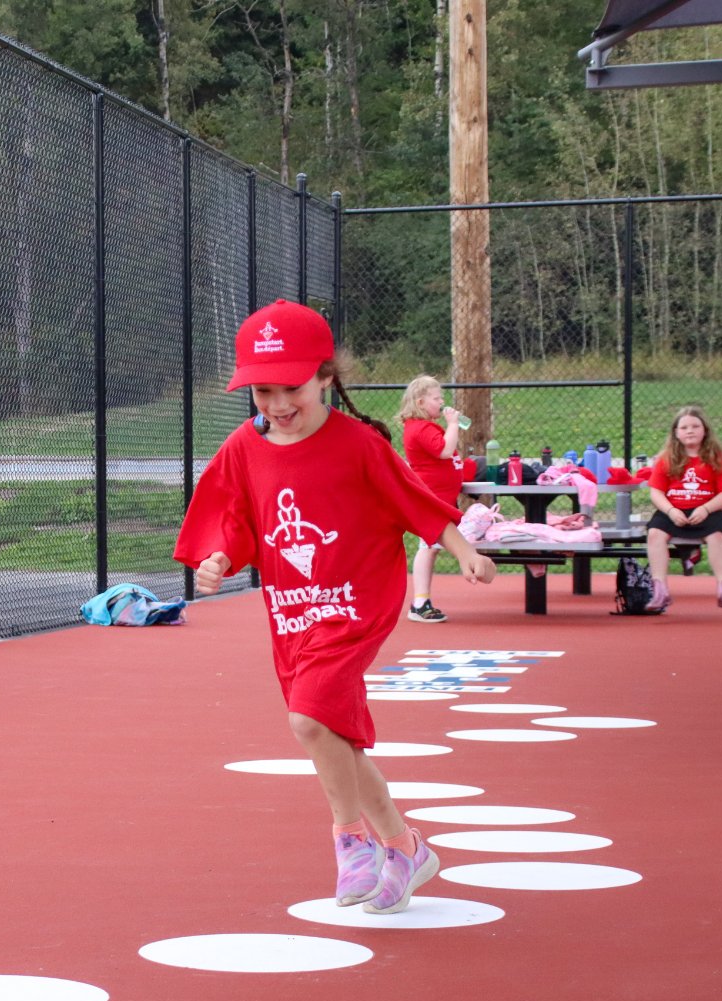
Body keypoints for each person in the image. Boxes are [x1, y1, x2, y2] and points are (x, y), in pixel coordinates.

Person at [174, 299, 496, 914]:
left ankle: (350, 842)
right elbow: (234, 518)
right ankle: (404, 848)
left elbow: (414, 500)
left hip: (357, 601)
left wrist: (463, 549)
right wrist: (216, 557)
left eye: (290, 387)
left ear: (326, 378)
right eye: (262, 390)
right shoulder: (246, 447)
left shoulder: (359, 444)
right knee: (334, 737)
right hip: (293, 609)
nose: (276, 404)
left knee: (308, 719)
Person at [644, 405, 722, 612]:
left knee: (717, 537)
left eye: (695, 426)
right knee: (654, 534)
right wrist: (670, 511)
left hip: (706, 510)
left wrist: (706, 509)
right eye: (684, 427)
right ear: (676, 433)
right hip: (673, 509)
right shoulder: (666, 459)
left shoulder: (718, 459)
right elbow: (656, 492)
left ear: (704, 430)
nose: (690, 431)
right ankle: (660, 590)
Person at [397, 375, 465, 622]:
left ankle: (421, 601)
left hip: (442, 496)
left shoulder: (423, 426)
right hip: (434, 497)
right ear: (421, 401)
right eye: (437, 398)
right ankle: (419, 602)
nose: (442, 402)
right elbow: (445, 450)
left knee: (432, 547)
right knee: (428, 547)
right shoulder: (421, 427)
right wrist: (453, 423)